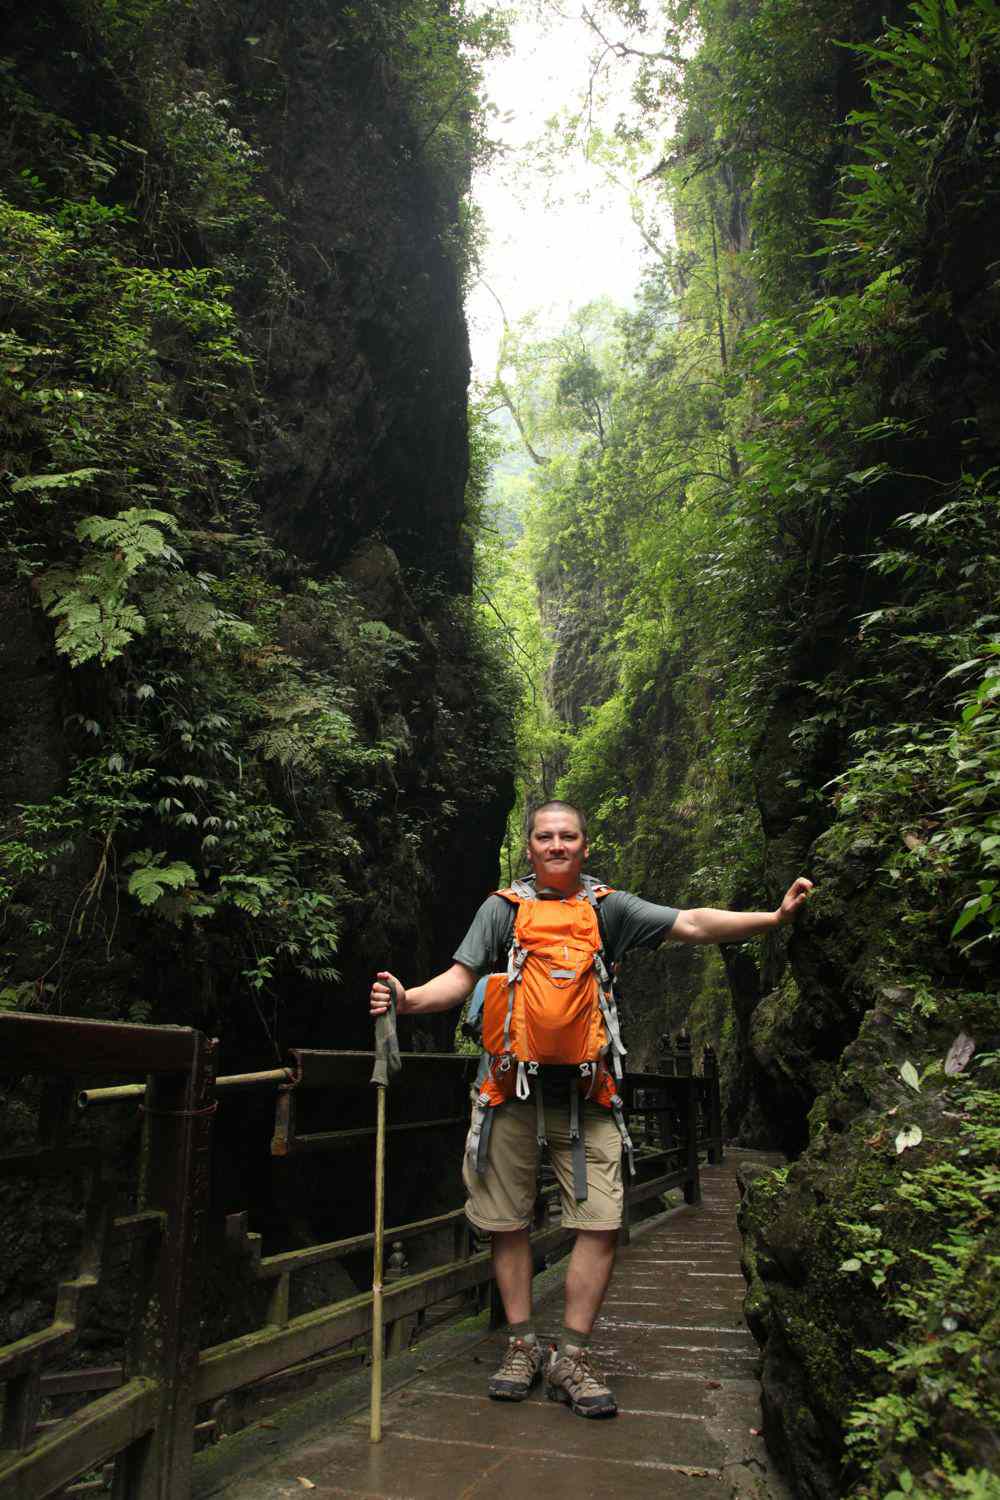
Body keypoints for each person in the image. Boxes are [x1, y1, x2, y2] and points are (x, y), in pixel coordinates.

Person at [369, 800, 813, 1419]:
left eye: (567, 836)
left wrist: (772, 918)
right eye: (545, 836)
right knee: (504, 1222)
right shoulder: (501, 910)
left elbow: (691, 923)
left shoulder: (611, 908)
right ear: (530, 847)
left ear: (584, 845)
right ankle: (522, 1345)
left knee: (601, 1219)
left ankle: (571, 1356)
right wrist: (407, 998)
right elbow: (460, 979)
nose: (556, 845)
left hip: (588, 1092)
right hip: (508, 1089)